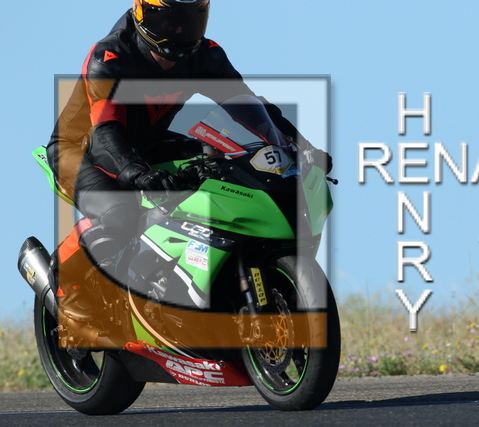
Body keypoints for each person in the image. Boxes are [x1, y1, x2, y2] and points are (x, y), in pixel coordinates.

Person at [47, 0, 332, 318]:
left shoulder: (206, 55)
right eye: (167, 21)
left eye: (191, 20)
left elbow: (250, 107)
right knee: (120, 213)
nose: (179, 31)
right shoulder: (110, 56)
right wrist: (136, 173)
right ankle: (62, 277)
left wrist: (303, 148)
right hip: (82, 148)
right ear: (141, 14)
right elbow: (106, 130)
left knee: (225, 170)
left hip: (151, 146)